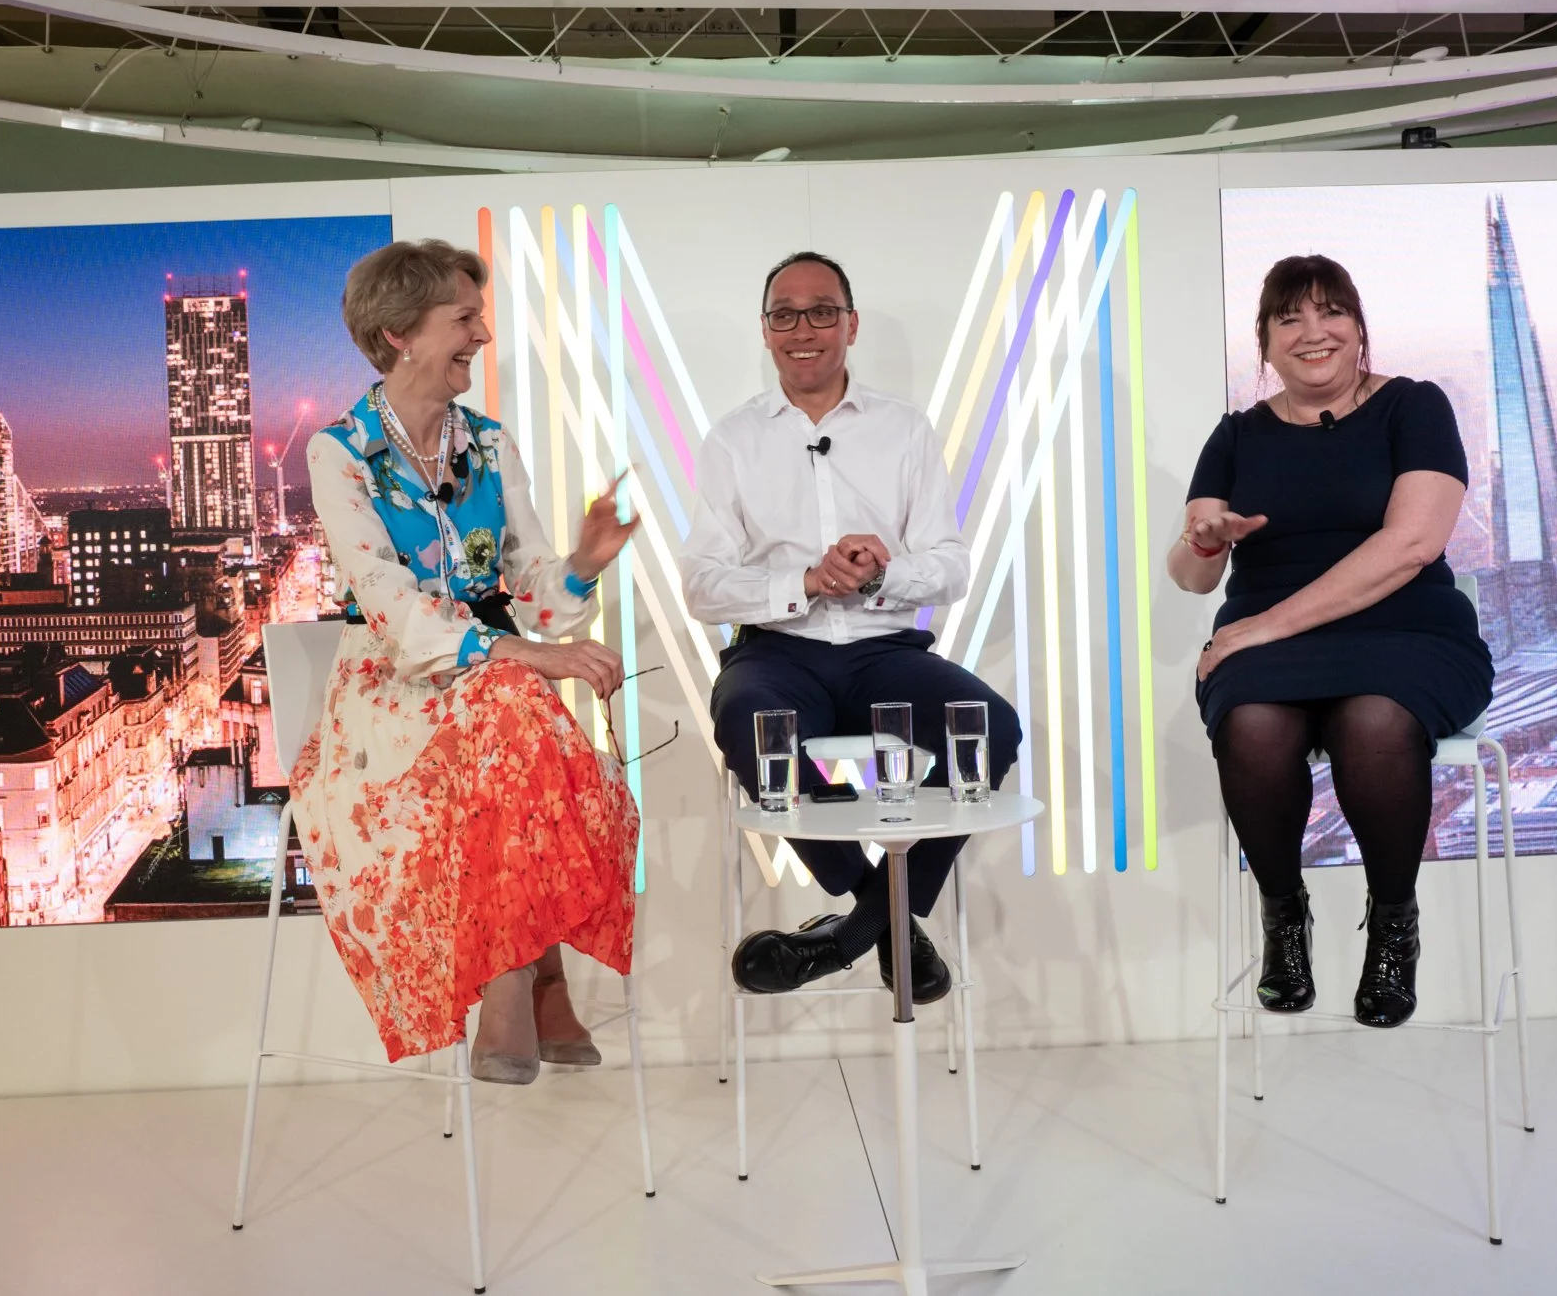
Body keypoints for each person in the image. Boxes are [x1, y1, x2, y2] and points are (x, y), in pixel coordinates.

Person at [293, 238, 642, 1085]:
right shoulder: (340, 453)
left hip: (494, 692)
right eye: (465, 318)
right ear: (400, 332)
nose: (482, 335)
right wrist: (528, 653)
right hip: (392, 688)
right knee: (519, 705)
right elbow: (392, 608)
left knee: (510, 708)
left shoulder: (488, 443)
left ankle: (516, 981)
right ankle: (533, 978)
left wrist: (582, 564)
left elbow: (532, 590)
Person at [682, 251, 1023, 1004]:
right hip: (778, 652)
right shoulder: (733, 440)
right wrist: (803, 582)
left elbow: (952, 566)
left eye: (822, 311)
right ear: (765, 331)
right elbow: (702, 586)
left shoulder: (904, 429)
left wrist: (879, 574)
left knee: (991, 726)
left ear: (851, 324)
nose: (803, 329)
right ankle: (890, 922)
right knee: (746, 719)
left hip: (885, 652)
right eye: (785, 314)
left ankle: (850, 934)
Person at [1174, 253, 1493, 1029]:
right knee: (1252, 724)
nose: (1312, 332)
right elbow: (1190, 575)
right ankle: (1284, 915)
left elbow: (1412, 545)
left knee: (1373, 720)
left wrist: (1261, 627)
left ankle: (1393, 922)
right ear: (1264, 341)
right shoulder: (1237, 435)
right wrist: (1205, 542)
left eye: (1331, 312)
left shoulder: (1414, 407)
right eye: (1289, 318)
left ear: (1359, 328)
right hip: (1267, 651)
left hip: (1406, 631)